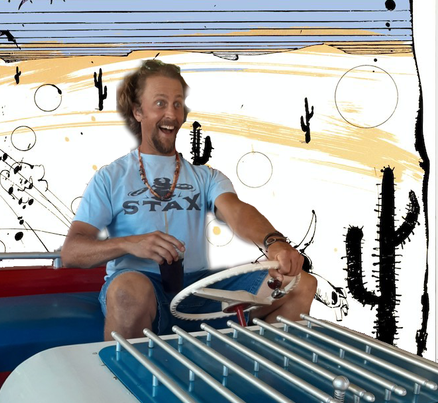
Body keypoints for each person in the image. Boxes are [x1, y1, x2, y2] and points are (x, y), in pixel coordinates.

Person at [61, 59, 316, 339]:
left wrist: (274, 242)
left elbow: (236, 211)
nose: (171, 113)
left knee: (300, 284)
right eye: (160, 103)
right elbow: (72, 252)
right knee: (127, 291)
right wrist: (129, 244)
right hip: (140, 285)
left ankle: (257, 363)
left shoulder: (206, 177)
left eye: (177, 104)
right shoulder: (110, 177)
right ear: (138, 111)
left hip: (198, 289)